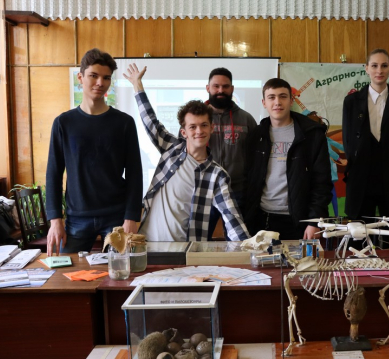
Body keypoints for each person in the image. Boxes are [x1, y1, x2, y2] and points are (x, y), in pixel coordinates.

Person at [123, 64, 250, 242]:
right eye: (192, 127)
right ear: (184, 132)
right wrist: (137, 85)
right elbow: (150, 121)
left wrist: (250, 248)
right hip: (147, 245)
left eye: (204, 125)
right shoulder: (171, 149)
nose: (199, 131)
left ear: (212, 128)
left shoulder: (217, 175)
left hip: (184, 252)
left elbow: (232, 218)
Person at [46, 48, 143, 255]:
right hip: (76, 218)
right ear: (80, 77)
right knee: (67, 271)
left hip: (117, 217)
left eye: (106, 78)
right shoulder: (63, 123)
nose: (100, 82)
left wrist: (131, 217)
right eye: (94, 76)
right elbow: (53, 173)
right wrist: (55, 220)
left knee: (121, 271)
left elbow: (135, 173)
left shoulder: (124, 123)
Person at [244, 78, 333, 240]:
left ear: (291, 100)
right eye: (271, 97)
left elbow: (322, 182)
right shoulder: (256, 136)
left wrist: (314, 221)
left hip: (299, 221)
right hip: (261, 219)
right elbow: (249, 180)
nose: (277, 102)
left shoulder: (312, 135)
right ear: (264, 103)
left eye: (283, 96)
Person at [342, 49, 389, 244]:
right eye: (374, 66)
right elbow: (348, 140)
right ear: (366, 68)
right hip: (361, 176)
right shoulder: (351, 101)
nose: (379, 70)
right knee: (359, 239)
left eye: (384, 66)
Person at [205, 68, 257, 240]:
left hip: (237, 192)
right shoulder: (197, 118)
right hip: (204, 192)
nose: (221, 90)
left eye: (225, 86)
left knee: (239, 244)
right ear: (208, 88)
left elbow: (256, 157)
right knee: (198, 242)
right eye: (216, 86)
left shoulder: (246, 119)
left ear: (232, 89)